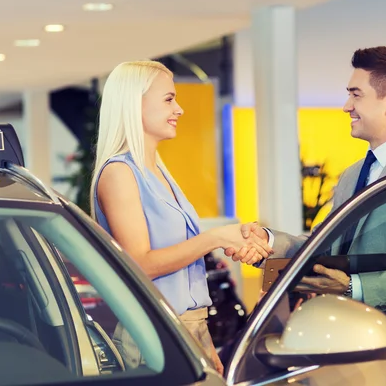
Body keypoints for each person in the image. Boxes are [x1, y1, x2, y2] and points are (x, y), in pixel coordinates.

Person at [230, 46, 386, 317]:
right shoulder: (352, 175)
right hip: (347, 332)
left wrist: (353, 286)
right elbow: (322, 246)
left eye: (356, 95)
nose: (346, 107)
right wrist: (267, 241)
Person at [91, 60, 272, 375]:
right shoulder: (119, 173)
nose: (180, 109)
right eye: (168, 99)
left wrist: (205, 345)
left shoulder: (158, 171)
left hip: (190, 329)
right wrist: (214, 238)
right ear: (135, 104)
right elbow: (141, 264)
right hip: (155, 336)